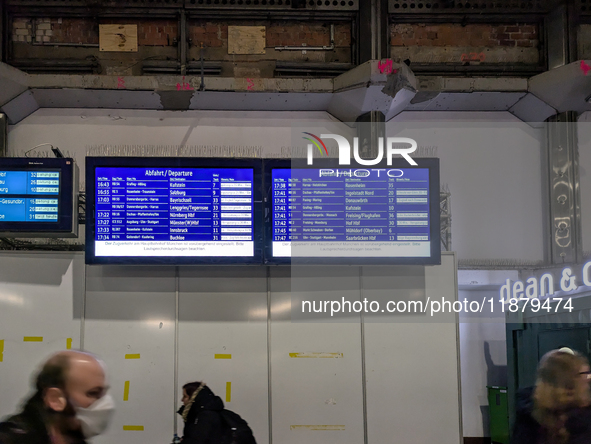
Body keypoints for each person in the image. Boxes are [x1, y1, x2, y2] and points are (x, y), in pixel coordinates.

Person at [0, 350, 115, 444]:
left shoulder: (72, 439)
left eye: (104, 393)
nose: (106, 404)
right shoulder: (9, 439)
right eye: (93, 393)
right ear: (55, 399)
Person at [511, 349, 591, 444]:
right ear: (567, 386)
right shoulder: (580, 423)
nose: (588, 379)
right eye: (584, 374)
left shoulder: (528, 415)